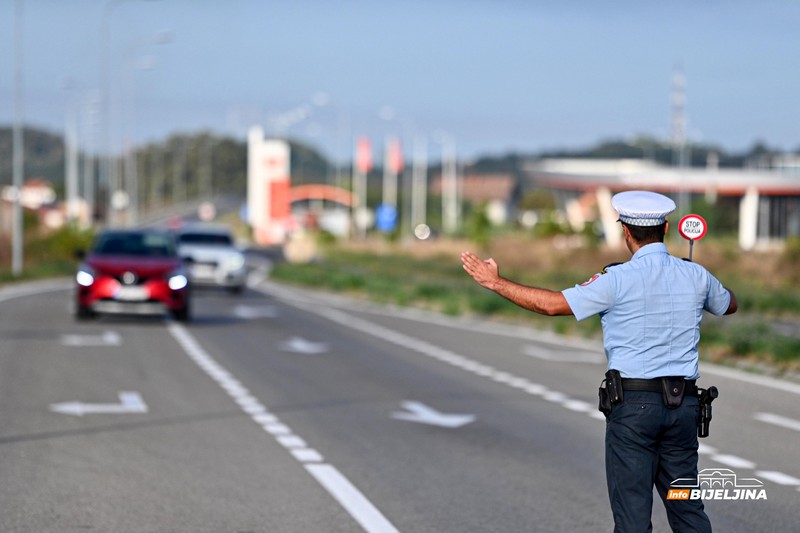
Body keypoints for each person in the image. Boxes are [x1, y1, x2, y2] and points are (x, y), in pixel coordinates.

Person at [461, 190, 737, 533]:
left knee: (633, 518)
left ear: (625, 233)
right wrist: (696, 280)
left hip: (634, 409)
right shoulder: (695, 275)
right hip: (684, 409)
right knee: (688, 511)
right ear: (666, 228)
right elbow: (729, 305)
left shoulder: (616, 280)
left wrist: (496, 282)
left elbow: (551, 305)